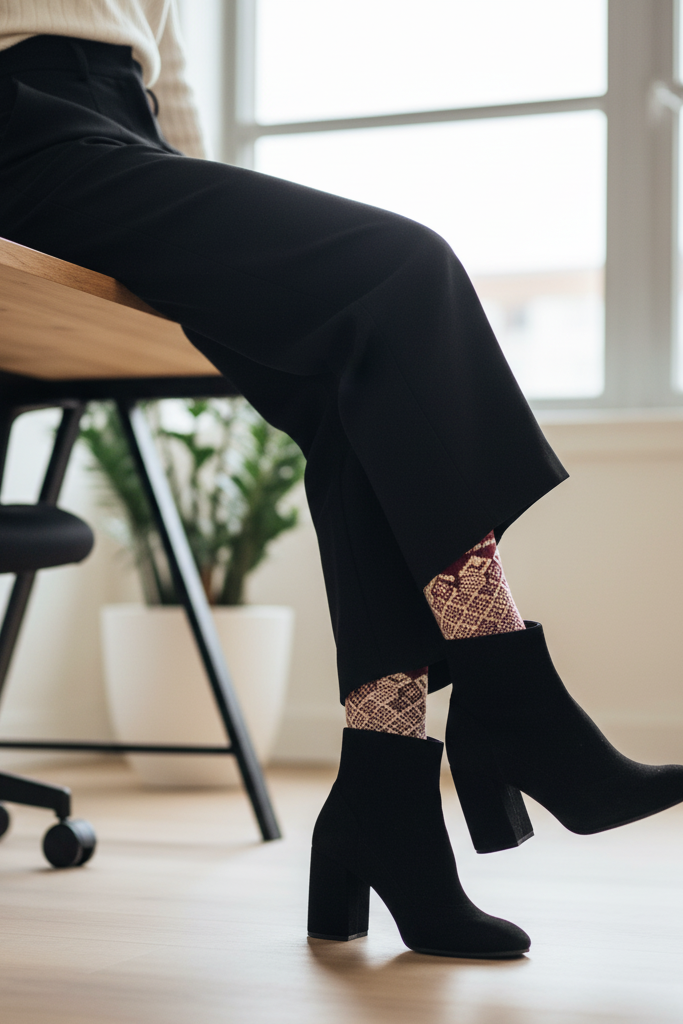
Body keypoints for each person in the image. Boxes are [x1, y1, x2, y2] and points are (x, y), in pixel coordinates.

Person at [1, 1, 681, 960]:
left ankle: (383, 792)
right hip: (25, 125)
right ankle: (510, 694)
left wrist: (198, 199)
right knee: (404, 268)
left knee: (355, 395)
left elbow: (168, 63)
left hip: (128, 133)